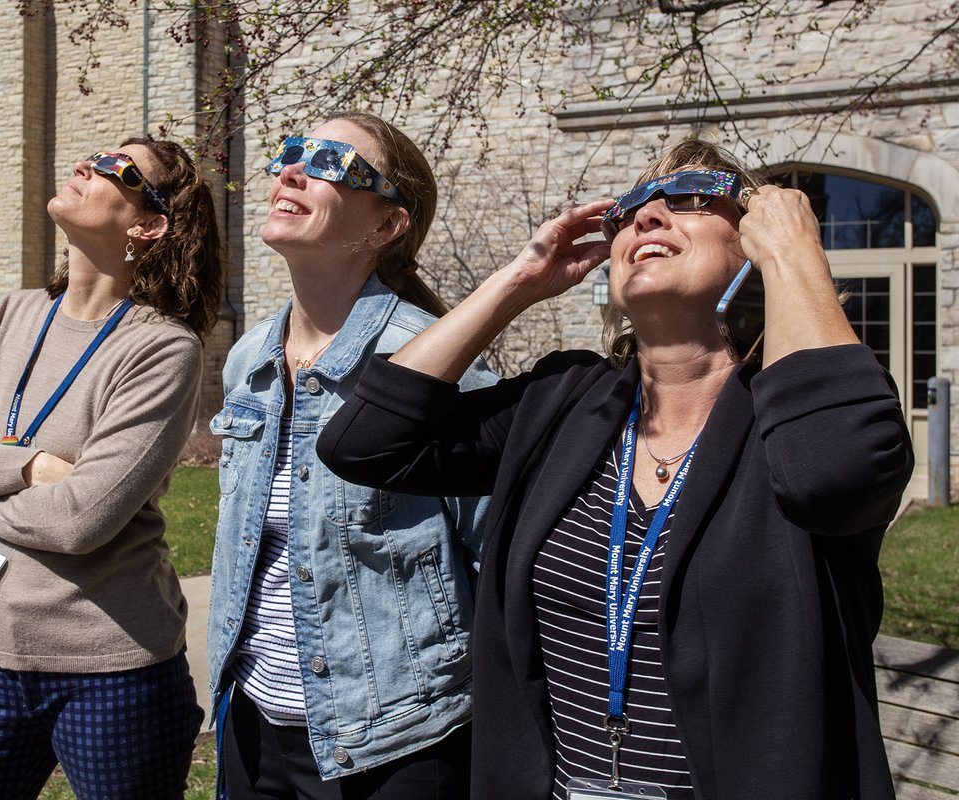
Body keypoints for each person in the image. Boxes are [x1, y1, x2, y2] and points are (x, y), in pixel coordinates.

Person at [318, 139, 914, 800]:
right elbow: (363, 443)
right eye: (630, 210)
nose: (649, 217)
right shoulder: (566, 402)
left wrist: (797, 255)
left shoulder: (796, 414)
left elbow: (834, 477)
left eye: (691, 197)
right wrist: (517, 282)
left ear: (756, 238)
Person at [0, 136, 223, 800]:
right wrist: (31, 466)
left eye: (118, 169)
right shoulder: (7, 318)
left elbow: (80, 520)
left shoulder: (160, 349)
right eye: (93, 155)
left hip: (112, 669)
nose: (86, 165)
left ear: (148, 223)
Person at [207, 111, 498, 799]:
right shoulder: (250, 357)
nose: (293, 170)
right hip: (253, 722)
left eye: (334, 163)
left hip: (397, 740)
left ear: (385, 227)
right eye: (293, 152)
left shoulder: (437, 363)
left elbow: (492, 555)